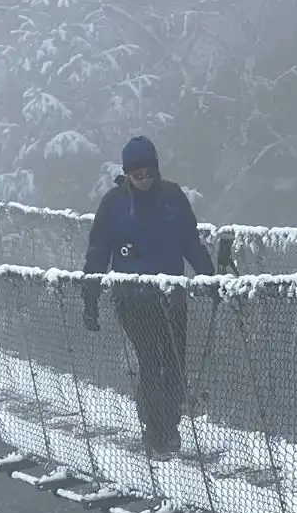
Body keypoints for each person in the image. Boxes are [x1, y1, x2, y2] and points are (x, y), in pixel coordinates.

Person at [80, 135, 215, 458]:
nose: (143, 181)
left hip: (172, 297)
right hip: (133, 300)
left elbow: (190, 242)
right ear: (126, 174)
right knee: (153, 362)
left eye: (148, 174)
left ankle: (166, 427)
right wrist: (91, 299)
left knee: (175, 364)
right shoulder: (114, 205)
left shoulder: (172, 198)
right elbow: (98, 252)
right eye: (137, 175)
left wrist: (209, 277)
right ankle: (157, 434)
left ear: (156, 170)